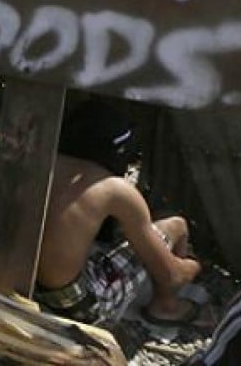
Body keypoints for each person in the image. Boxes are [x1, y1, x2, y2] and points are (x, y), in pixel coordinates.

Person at [34, 98, 204, 328]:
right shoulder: (114, 189)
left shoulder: (39, 160)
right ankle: (166, 307)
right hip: (71, 305)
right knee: (175, 226)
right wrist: (191, 266)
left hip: (19, 278)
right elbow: (171, 275)